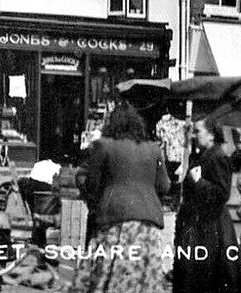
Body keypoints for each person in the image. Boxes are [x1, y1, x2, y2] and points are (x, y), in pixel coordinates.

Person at [69, 102, 170, 293]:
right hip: (148, 224)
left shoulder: (103, 146)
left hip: (115, 220)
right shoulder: (154, 149)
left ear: (111, 124)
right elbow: (164, 186)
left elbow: (92, 184)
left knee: (109, 275)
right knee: (143, 279)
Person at [173, 118, 241, 293]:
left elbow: (222, 193)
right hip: (201, 226)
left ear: (211, 135)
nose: (194, 136)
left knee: (208, 277)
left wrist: (199, 181)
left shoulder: (217, 156)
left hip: (211, 227)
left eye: (198, 131)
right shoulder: (202, 155)